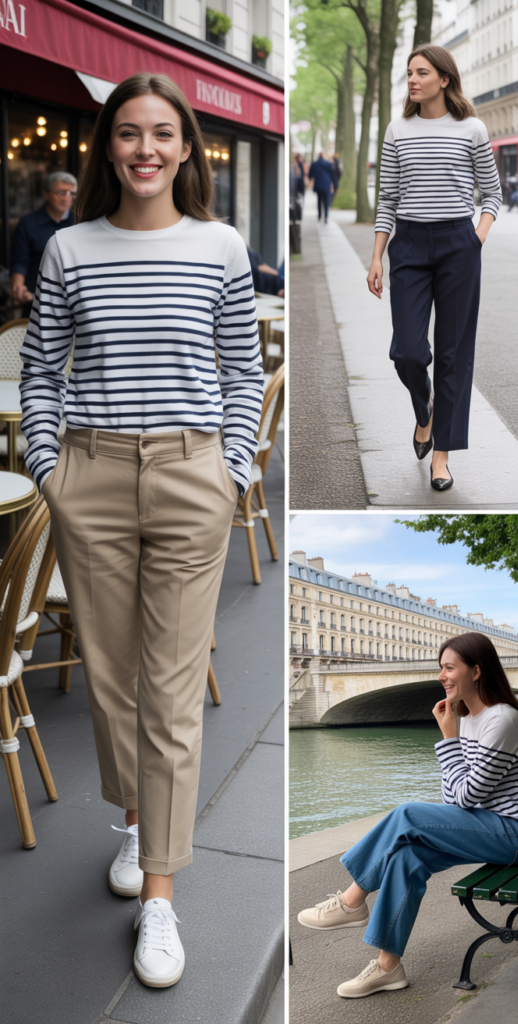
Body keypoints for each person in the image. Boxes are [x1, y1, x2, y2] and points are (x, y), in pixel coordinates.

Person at [19, 73, 263, 988]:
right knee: (114, 684)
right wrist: (52, 471)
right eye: (130, 134)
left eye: (164, 133)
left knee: (168, 693)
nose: (147, 149)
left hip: (194, 475)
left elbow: (243, 369)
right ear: (107, 146)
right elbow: (41, 371)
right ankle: (136, 823)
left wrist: (233, 470)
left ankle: (160, 895)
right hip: (92, 473)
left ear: (189, 147)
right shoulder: (70, 248)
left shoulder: (222, 246)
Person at [297, 632, 518, 999]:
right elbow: (455, 797)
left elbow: (465, 798)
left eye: (450, 668)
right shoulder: (472, 718)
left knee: (407, 814)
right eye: (440, 669)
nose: (442, 676)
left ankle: (352, 900)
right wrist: (453, 736)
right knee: (406, 856)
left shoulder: (501, 720)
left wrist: (449, 740)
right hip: (493, 827)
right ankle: (387, 967)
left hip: (517, 835)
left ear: (476, 671)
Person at [367, 45, 502, 492]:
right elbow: (387, 199)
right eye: (408, 73)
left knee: (452, 355)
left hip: (457, 245)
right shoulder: (397, 130)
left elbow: (492, 195)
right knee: (407, 351)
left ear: (444, 78)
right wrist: (376, 257)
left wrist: (474, 240)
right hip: (407, 245)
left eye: (421, 72)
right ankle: (423, 411)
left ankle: (440, 456)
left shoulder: (472, 129)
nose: (412, 80)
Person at [10, 171, 77, 315]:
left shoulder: (81, 223)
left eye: (71, 193)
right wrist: (18, 286)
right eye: (61, 192)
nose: (66, 198)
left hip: (75, 302)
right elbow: (20, 261)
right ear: (46, 194)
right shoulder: (27, 223)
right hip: (35, 301)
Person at [308, 151, 335, 223]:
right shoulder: (328, 164)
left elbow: (310, 175)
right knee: (326, 201)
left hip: (318, 185)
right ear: (324, 156)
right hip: (326, 185)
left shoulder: (314, 164)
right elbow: (332, 174)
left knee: (319, 201)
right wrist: (332, 185)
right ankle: (326, 216)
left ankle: (319, 216)